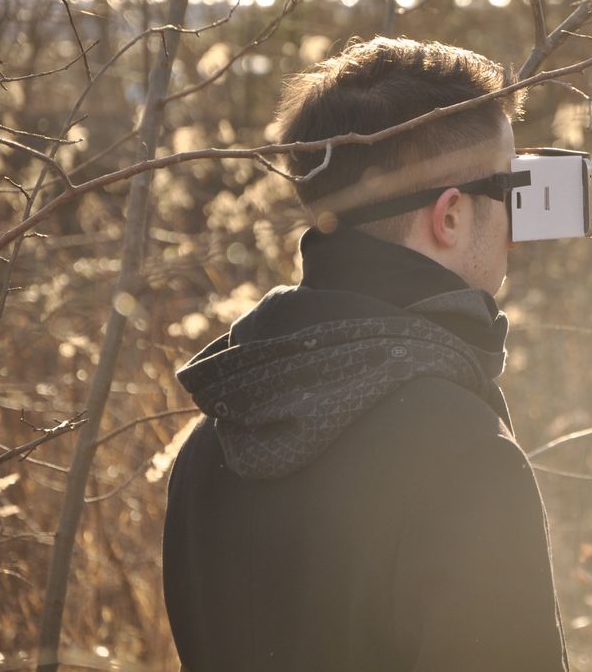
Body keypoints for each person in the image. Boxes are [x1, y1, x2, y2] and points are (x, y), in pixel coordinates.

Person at [162, 37, 568, 672]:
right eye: (509, 185)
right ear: (451, 217)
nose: (519, 220)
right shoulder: (467, 457)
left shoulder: (214, 436)